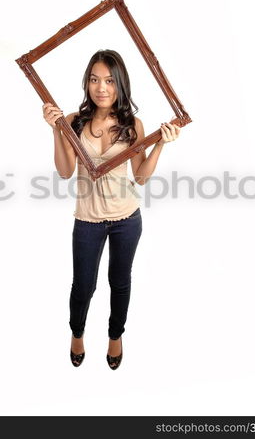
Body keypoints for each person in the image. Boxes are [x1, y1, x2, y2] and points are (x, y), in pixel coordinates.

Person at [42, 49, 180, 370]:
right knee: (83, 285)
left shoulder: (133, 125)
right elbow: (65, 172)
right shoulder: (74, 122)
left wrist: (160, 144)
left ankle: (115, 336)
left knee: (120, 281)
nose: (101, 87)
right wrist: (55, 129)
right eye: (94, 79)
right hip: (87, 220)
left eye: (108, 80)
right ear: (87, 84)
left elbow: (141, 177)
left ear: (119, 85)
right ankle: (77, 333)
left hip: (126, 218)